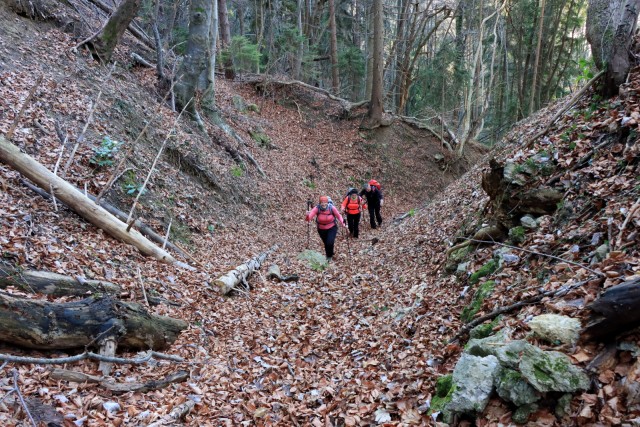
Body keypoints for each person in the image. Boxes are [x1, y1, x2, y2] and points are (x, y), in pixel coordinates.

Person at [305, 195, 347, 262]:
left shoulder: (331, 208)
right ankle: (331, 252)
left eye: (325, 202)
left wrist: (343, 223)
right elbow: (308, 219)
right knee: (326, 243)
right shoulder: (317, 208)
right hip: (321, 229)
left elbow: (338, 216)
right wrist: (307, 215)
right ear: (320, 203)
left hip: (332, 227)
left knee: (329, 242)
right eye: (322, 202)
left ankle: (329, 257)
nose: (323, 204)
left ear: (327, 203)